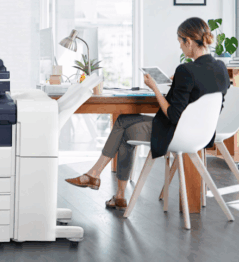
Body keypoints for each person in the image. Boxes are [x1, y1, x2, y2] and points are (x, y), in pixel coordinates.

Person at [64, 17, 229, 210]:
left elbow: (173, 115)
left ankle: (98, 177)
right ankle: (109, 188)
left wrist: (155, 88)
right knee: (124, 122)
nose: (181, 49)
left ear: (189, 41)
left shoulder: (186, 70)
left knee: (123, 126)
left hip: (177, 134)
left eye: (180, 43)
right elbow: (209, 102)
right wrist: (176, 84)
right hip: (204, 134)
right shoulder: (220, 68)